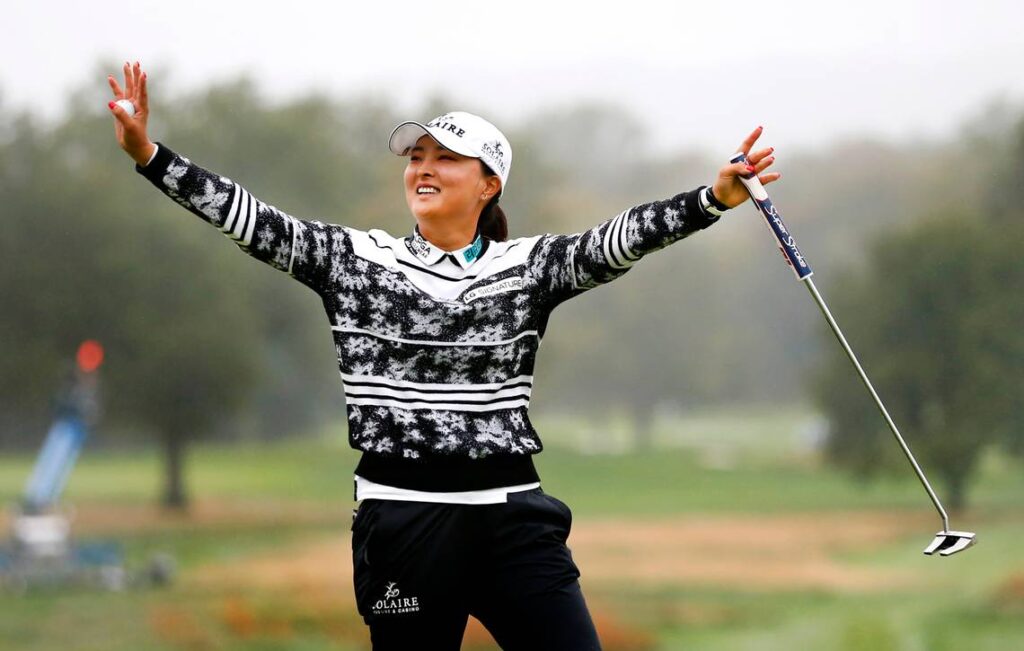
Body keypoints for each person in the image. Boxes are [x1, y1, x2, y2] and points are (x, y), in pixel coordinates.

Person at [108, 61, 779, 650]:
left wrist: (712, 198)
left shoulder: (530, 266)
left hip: (512, 515)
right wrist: (149, 153)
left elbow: (618, 240)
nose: (423, 168)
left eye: (445, 158)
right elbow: (247, 217)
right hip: (402, 518)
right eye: (415, 157)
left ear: (489, 184)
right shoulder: (356, 261)